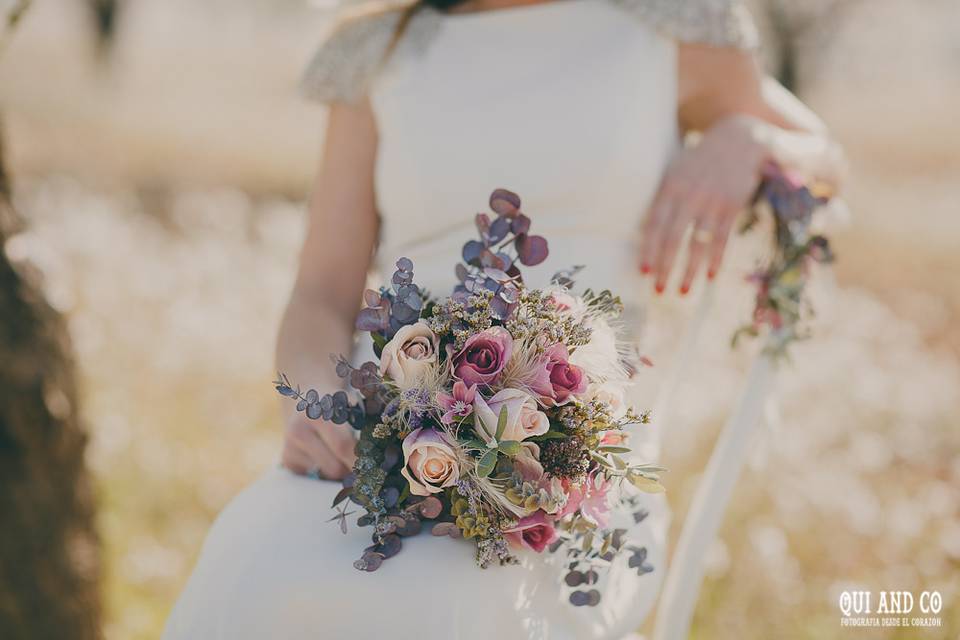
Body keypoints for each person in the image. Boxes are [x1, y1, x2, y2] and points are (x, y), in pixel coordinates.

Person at [164, 1, 844, 638]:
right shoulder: (380, 50)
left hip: (576, 467)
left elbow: (824, 156)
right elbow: (318, 294)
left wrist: (748, 137)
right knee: (255, 567)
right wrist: (316, 403)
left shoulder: (670, 22)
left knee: (445, 610)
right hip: (384, 445)